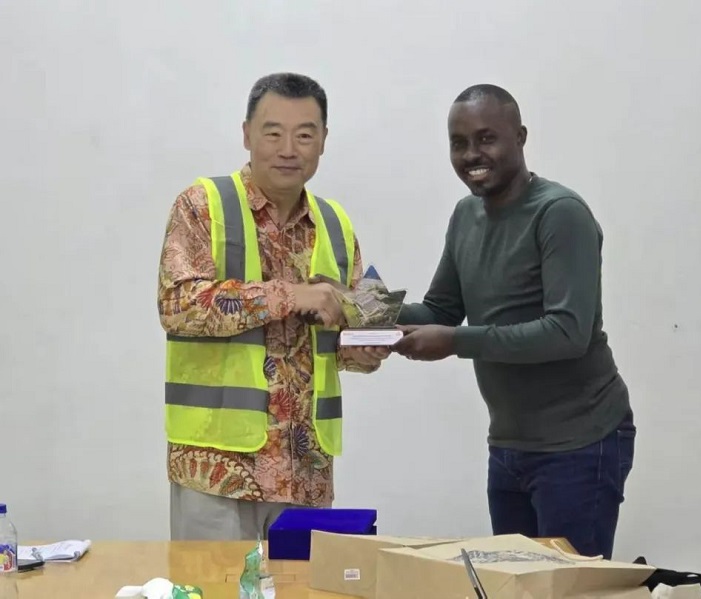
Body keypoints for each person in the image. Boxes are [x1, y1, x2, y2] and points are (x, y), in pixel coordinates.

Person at [393, 84, 635, 559]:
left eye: (486, 139)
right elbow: (440, 310)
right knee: (514, 585)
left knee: (567, 589)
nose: (471, 155)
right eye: (458, 143)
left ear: (520, 137)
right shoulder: (465, 214)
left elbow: (567, 333)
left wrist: (455, 341)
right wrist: (360, 305)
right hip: (508, 446)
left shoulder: (559, 213)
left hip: (580, 443)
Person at [157, 72, 386, 541]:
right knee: (213, 583)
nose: (288, 149)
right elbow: (176, 304)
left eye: (304, 135)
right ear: (246, 134)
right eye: (273, 132)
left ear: (323, 141)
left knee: (303, 583)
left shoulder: (336, 223)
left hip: (306, 469)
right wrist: (288, 295)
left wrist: (367, 349)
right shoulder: (202, 205)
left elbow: (353, 331)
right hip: (217, 468)